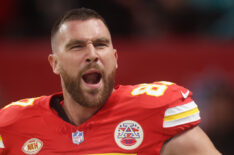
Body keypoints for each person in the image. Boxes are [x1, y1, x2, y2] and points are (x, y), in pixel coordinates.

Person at [0, 8, 221, 155]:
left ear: (114, 58)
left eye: (101, 44)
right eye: (77, 46)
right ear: (55, 63)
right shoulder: (12, 125)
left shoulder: (156, 112)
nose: (92, 54)